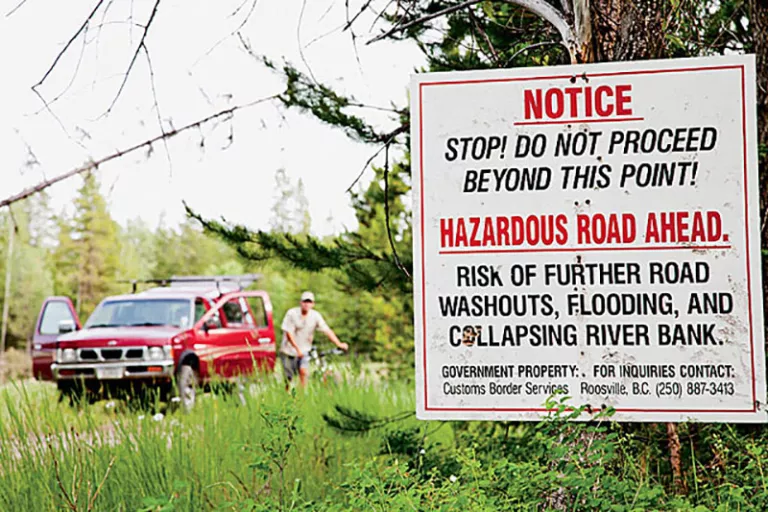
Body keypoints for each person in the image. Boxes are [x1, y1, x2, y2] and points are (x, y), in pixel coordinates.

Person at [279, 291, 348, 387]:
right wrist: (297, 349)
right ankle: (286, 395)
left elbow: (327, 330)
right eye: (305, 302)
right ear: (301, 303)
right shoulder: (292, 313)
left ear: (313, 304)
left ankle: (302, 397)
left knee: (304, 372)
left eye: (309, 302)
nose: (307, 304)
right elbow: (288, 333)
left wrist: (338, 343)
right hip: (289, 350)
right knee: (288, 378)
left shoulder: (315, 316)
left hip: (304, 350)